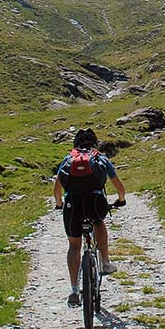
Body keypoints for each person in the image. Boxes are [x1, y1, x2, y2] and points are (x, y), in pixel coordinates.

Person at [53, 128, 126, 308]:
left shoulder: (68, 159)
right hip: (95, 202)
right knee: (99, 222)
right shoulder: (99, 158)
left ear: (75, 144)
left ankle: (73, 288)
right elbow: (119, 187)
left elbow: (57, 188)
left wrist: (59, 204)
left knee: (74, 246)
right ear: (95, 143)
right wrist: (121, 200)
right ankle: (106, 263)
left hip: (73, 206)